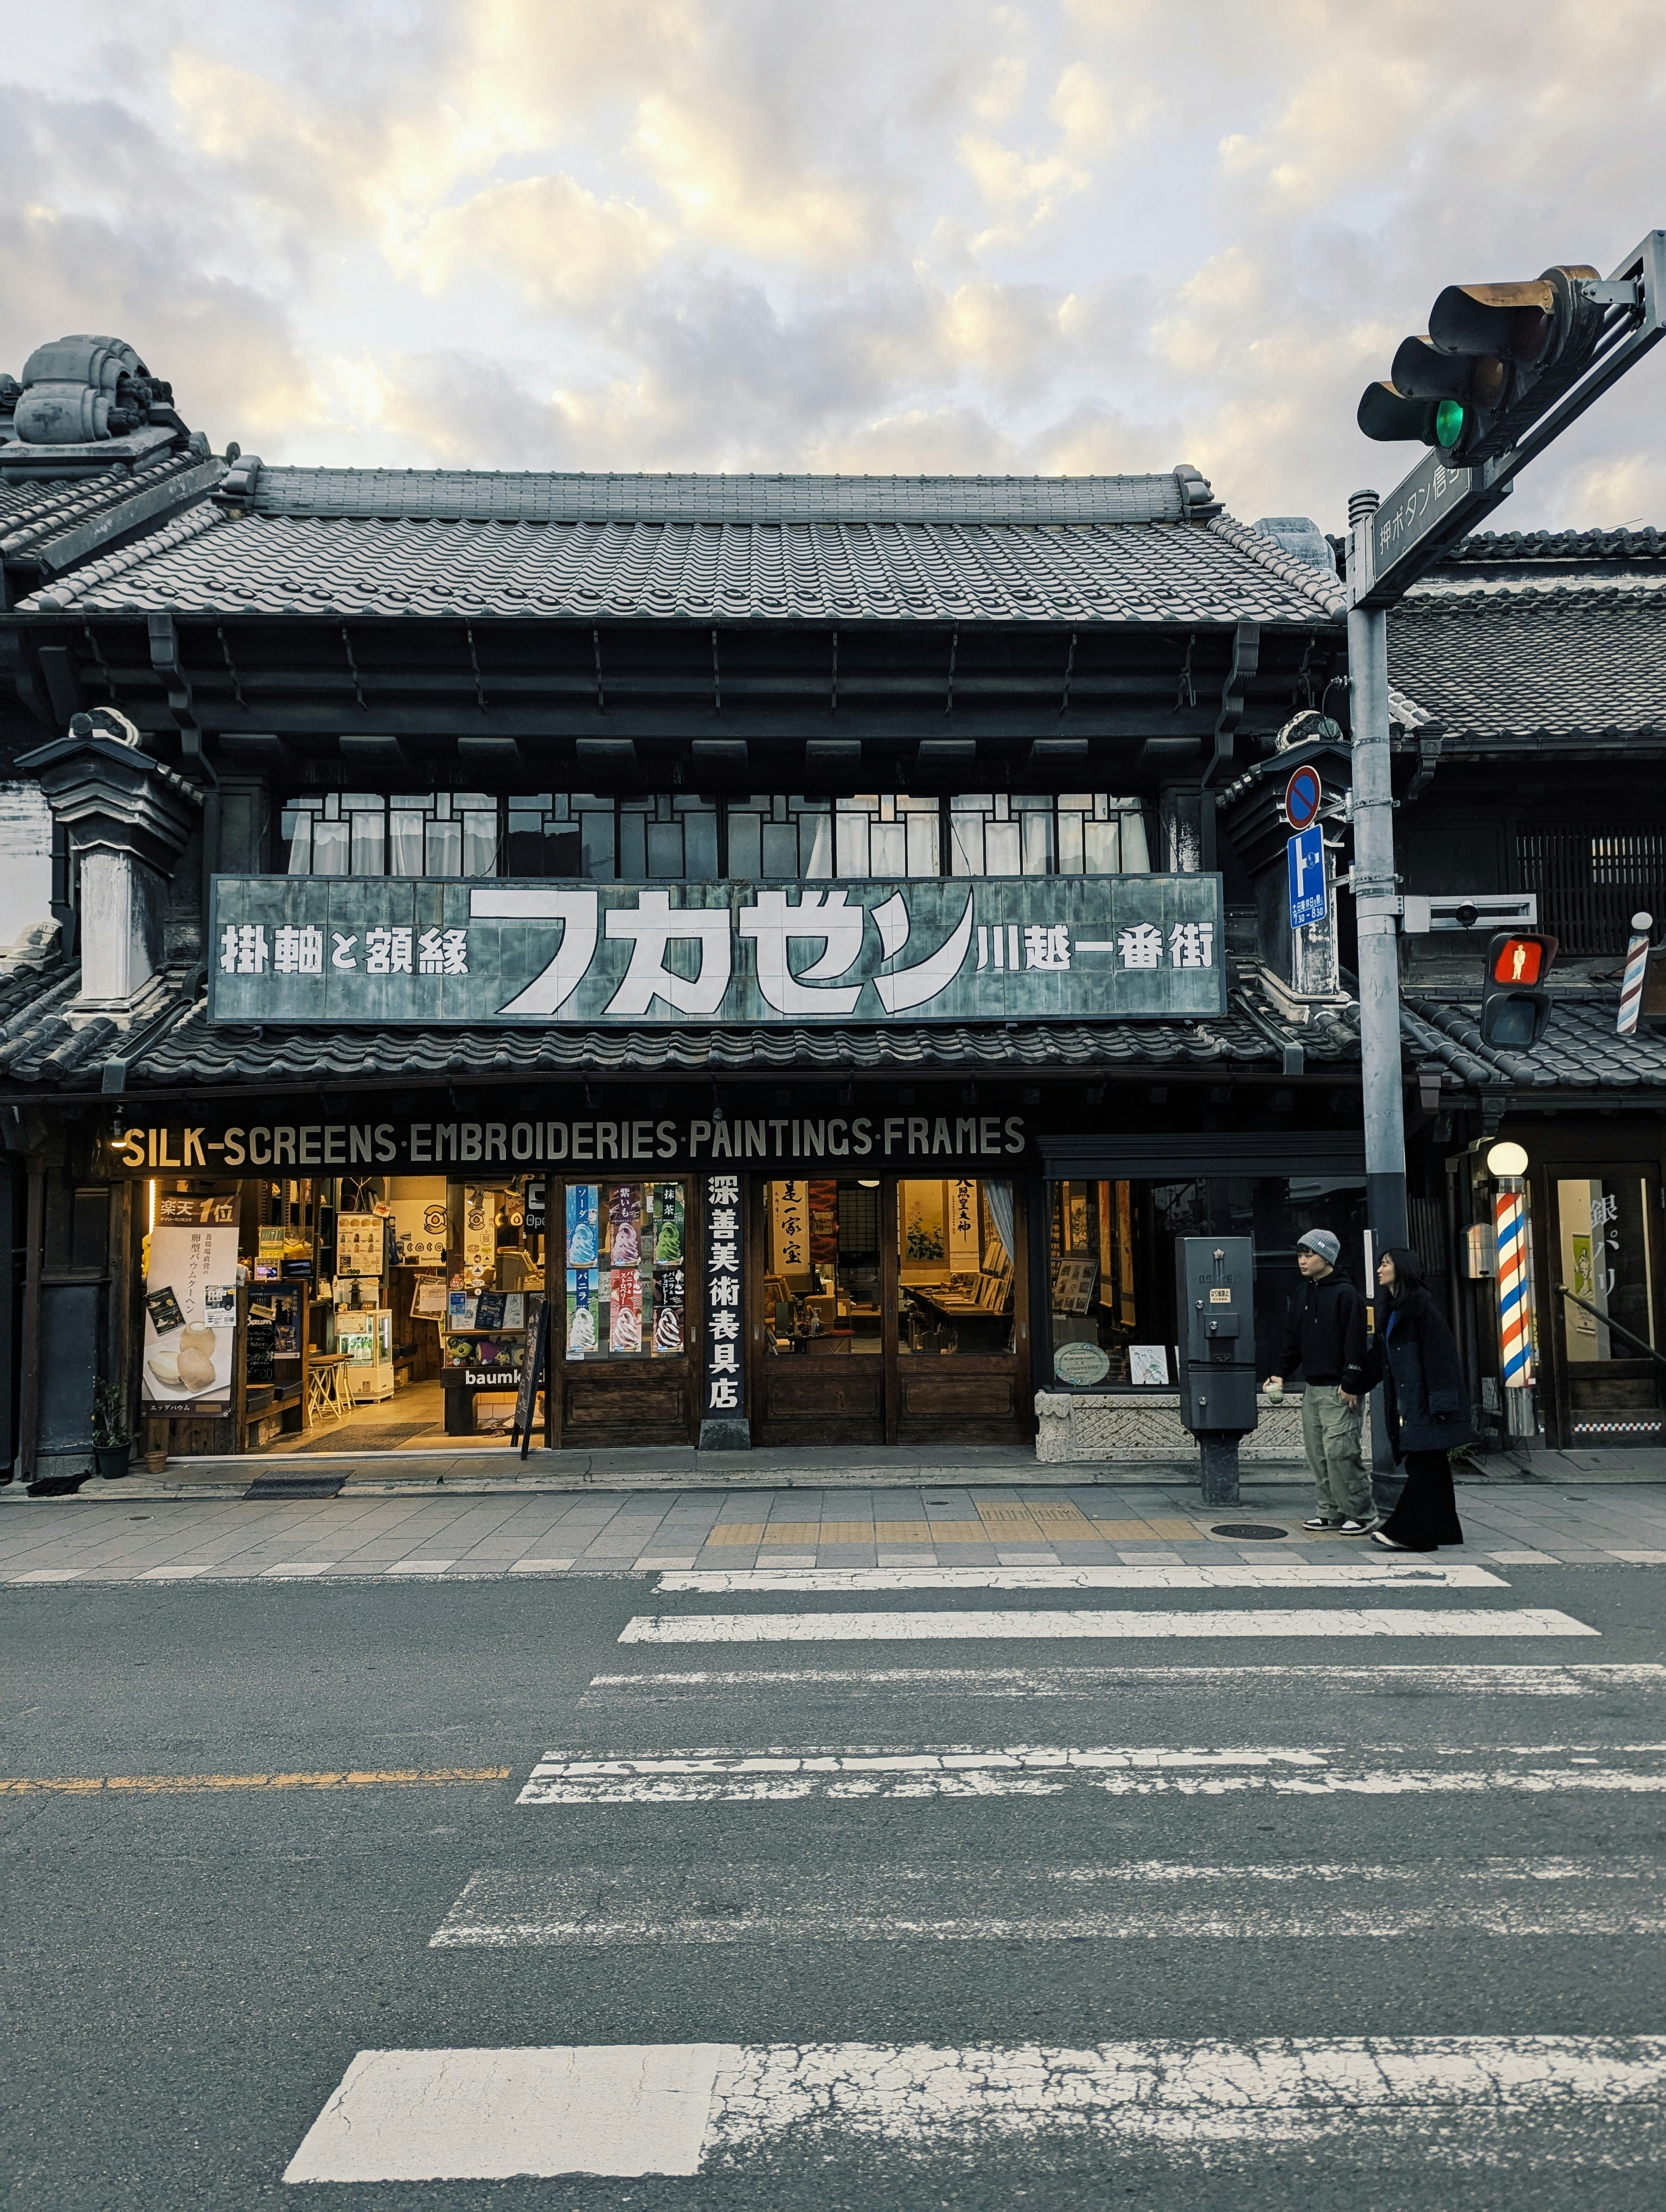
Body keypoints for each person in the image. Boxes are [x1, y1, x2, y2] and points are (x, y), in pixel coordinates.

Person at [1264, 1228, 1374, 1534]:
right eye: (1300, 1255)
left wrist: (1352, 1381)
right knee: (1318, 1453)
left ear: (1326, 1257)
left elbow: (1355, 1342)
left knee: (1342, 1452)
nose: (1302, 1261)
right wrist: (1280, 1373)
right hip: (1312, 1388)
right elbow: (1292, 1340)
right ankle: (1329, 1511)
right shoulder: (1302, 1293)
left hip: (1340, 1388)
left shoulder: (1346, 1294)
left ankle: (1362, 1513)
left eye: (1308, 1255)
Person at [1364, 1245, 1470, 1552]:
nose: (1380, 1269)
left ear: (1403, 1269)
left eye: (1386, 1264)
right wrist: (1353, 1383)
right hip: (1413, 1403)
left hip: (1427, 1404)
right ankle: (1445, 1529)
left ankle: (1409, 1532)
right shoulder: (1394, 1312)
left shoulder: (1422, 1310)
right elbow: (1379, 1361)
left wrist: (1442, 1405)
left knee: (1423, 1467)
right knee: (1433, 1465)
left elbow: (1442, 1360)